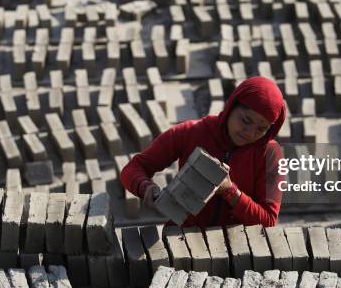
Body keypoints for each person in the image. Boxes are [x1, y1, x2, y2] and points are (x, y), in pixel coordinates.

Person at [120, 76, 287, 228]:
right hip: (183, 239)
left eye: (261, 128)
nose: (250, 133)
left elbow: (269, 220)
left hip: (239, 247)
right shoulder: (191, 132)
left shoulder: (270, 155)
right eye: (245, 120)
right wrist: (144, 186)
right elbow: (133, 168)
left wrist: (230, 191)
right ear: (231, 106)